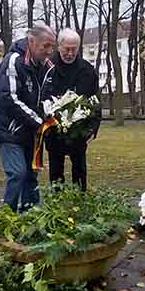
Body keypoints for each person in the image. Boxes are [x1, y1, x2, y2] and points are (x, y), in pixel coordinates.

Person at [0, 22, 56, 211]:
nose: (49, 51)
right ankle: (6, 218)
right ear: (32, 41)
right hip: (10, 131)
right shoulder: (14, 61)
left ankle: (30, 215)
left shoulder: (46, 66)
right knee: (17, 173)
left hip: (32, 133)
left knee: (31, 175)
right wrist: (39, 122)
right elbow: (8, 98)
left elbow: (48, 95)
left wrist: (53, 114)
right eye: (46, 46)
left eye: (52, 46)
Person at [44, 28, 101, 191]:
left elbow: (95, 100)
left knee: (80, 169)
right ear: (59, 46)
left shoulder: (87, 70)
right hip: (54, 129)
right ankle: (57, 199)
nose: (70, 53)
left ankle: (81, 198)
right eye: (66, 49)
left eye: (74, 49)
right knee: (56, 170)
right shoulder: (47, 67)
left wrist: (93, 129)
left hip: (79, 130)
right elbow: (41, 97)